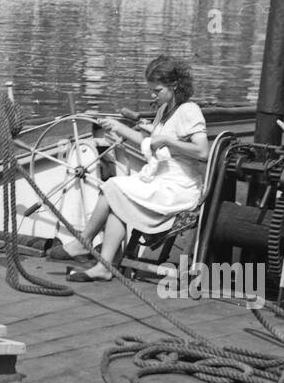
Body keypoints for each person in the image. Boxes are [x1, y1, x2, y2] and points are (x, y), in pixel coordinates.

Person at [56, 55, 209, 281]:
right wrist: (117, 127)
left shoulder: (189, 110)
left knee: (113, 187)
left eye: (157, 90)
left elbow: (203, 151)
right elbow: (148, 142)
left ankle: (83, 243)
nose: (152, 95)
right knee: (118, 198)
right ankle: (104, 266)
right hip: (160, 181)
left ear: (174, 86)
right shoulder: (164, 110)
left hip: (179, 188)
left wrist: (168, 141)